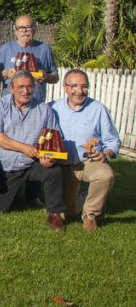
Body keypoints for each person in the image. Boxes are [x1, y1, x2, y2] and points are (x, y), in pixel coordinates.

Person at [0, 71, 66, 232]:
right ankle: (11, 191)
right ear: (11, 88)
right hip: (7, 165)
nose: (26, 91)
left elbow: (53, 139)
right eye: (21, 87)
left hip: (32, 163)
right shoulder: (0, 106)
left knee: (53, 171)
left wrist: (50, 158)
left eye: (30, 86)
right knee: (0, 208)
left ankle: (55, 214)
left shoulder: (44, 109)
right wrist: (24, 148)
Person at [50, 69, 121, 230]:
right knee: (69, 213)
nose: (79, 91)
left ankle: (90, 215)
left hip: (89, 160)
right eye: (74, 86)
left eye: (84, 86)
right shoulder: (53, 108)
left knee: (105, 175)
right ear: (65, 87)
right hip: (64, 165)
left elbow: (113, 141)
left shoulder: (98, 109)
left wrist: (106, 154)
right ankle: (82, 199)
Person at [0, 14, 59, 102]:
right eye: (20, 28)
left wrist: (46, 77)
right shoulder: (6, 48)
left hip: (36, 103)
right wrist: (6, 73)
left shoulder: (44, 49)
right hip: (10, 103)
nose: (24, 31)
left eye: (28, 27)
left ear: (34, 29)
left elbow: (55, 77)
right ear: (15, 31)